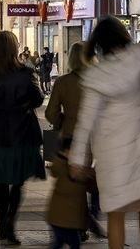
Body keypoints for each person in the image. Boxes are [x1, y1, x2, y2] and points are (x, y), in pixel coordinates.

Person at [69, 17, 140, 249]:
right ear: (123, 35)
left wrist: (78, 158)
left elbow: (85, 123)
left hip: (112, 156)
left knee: (115, 216)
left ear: (99, 44)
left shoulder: (97, 76)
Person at [0, 30, 45, 245]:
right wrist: (22, 105)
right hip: (21, 133)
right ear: (15, 48)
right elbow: (38, 98)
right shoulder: (25, 72)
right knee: (17, 182)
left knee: (0, 181)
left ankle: (1, 225)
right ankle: (10, 223)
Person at [45, 42, 104, 245]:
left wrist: (62, 119)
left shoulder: (63, 82)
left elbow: (50, 113)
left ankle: (78, 223)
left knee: (73, 182)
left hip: (72, 138)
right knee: (93, 180)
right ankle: (91, 214)